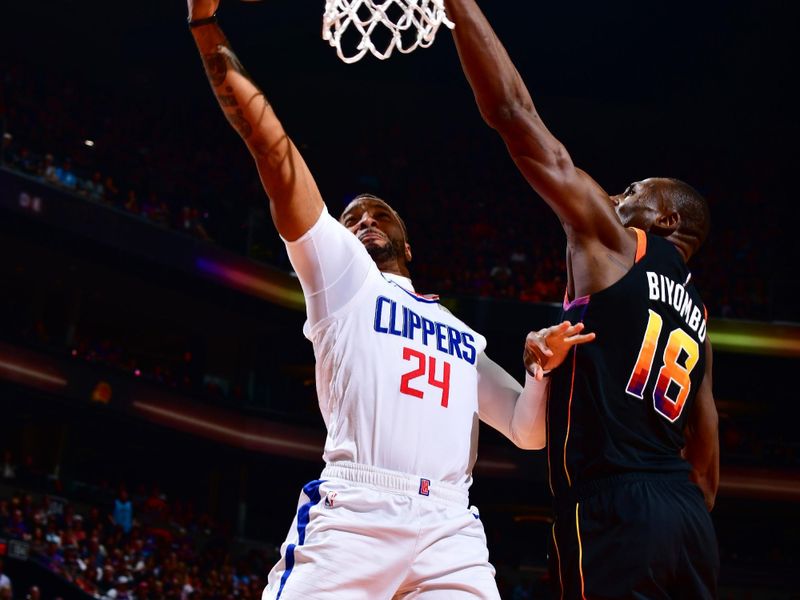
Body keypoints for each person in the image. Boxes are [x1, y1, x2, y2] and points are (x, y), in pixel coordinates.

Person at [185, 1, 594, 598]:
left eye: (380, 214)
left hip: (450, 525)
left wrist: (538, 371)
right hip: (358, 509)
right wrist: (205, 27)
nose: (366, 218)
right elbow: (272, 149)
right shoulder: (343, 276)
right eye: (353, 216)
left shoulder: (459, 332)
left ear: (409, 240)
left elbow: (527, 432)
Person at [445, 1, 720, 597]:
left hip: (616, 505)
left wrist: (457, 9)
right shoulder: (698, 321)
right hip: (687, 518)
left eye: (634, 190)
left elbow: (515, 116)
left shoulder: (617, 246)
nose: (619, 195)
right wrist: (681, 520)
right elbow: (707, 459)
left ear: (667, 218)